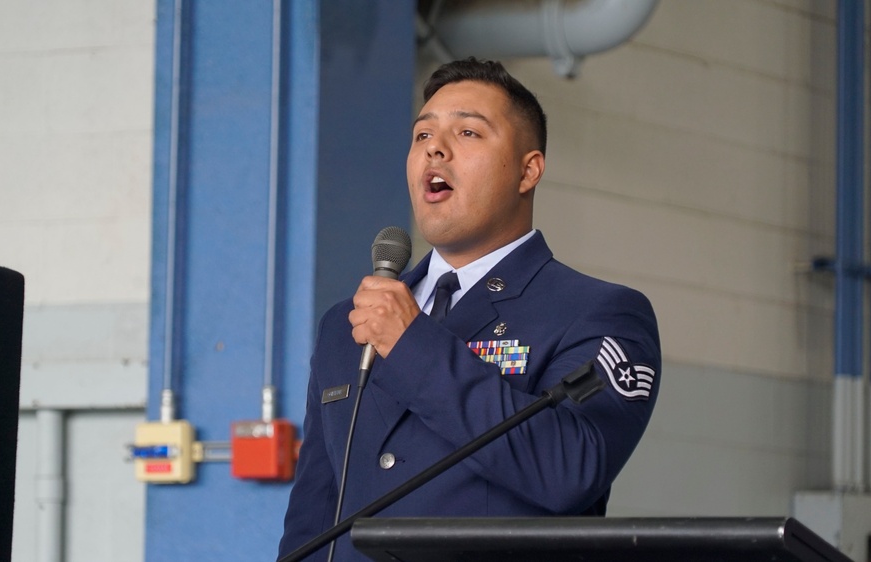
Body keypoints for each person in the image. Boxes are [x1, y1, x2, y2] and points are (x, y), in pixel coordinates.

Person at [278, 57, 660, 561]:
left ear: (528, 171)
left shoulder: (600, 314)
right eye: (421, 136)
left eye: (468, 133)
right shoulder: (348, 321)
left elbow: (570, 469)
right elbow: (314, 513)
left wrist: (412, 344)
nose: (435, 147)